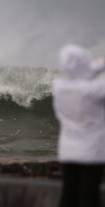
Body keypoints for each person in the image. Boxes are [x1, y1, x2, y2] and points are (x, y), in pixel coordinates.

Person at [53, 45, 105, 207]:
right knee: (89, 196)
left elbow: (86, 70)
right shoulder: (92, 90)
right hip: (91, 153)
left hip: (68, 152)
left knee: (69, 195)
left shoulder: (59, 86)